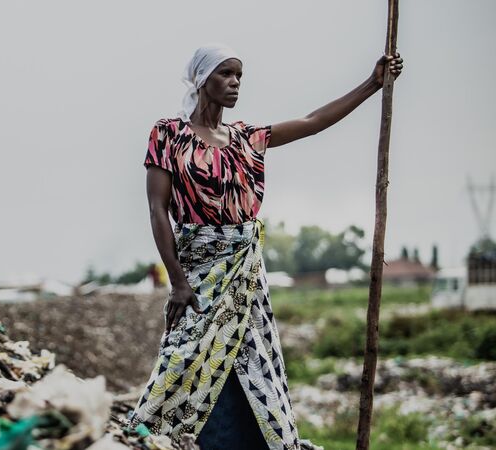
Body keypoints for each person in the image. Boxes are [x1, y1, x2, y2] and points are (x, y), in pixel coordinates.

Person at [126, 44, 403, 450]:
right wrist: (178, 283)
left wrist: (372, 84)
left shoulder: (247, 138)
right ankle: (167, 436)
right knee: (186, 355)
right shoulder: (169, 135)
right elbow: (157, 211)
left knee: (252, 355)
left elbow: (314, 121)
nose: (235, 82)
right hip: (199, 269)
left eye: (239, 75)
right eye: (226, 74)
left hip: (245, 275)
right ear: (203, 80)